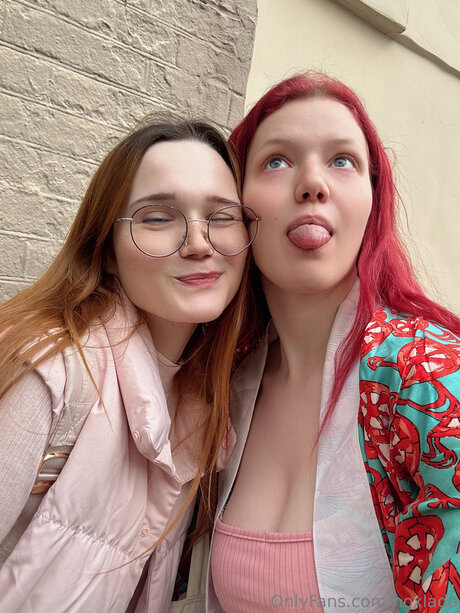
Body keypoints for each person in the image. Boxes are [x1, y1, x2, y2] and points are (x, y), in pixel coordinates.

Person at [206, 72, 460, 613]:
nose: (312, 184)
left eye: (342, 160)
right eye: (277, 161)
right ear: (235, 207)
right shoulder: (224, 385)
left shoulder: (429, 378)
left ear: (372, 199)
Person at [0, 116, 258, 611]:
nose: (199, 243)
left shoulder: (210, 406)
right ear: (107, 252)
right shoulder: (50, 371)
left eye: (223, 217)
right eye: (158, 218)